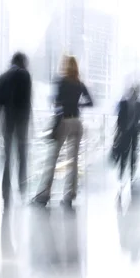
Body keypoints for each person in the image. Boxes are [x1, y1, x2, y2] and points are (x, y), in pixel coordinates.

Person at [33, 56, 93, 208]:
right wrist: (78, 105)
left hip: (64, 121)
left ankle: (43, 196)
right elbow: (90, 102)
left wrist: (63, 105)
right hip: (77, 123)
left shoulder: (61, 81)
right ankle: (69, 195)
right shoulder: (80, 84)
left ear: (65, 66)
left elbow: (56, 102)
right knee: (73, 160)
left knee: (52, 159)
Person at [0, 52, 32, 205]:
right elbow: (27, 100)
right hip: (21, 122)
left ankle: (5, 191)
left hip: (7, 121)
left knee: (7, 156)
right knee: (22, 155)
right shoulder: (25, 75)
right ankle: (22, 190)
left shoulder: (3, 77)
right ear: (22, 62)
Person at [116, 84, 140, 182]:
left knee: (133, 152)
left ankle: (131, 174)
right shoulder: (124, 103)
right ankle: (122, 173)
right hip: (126, 131)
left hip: (134, 131)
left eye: (135, 92)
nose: (134, 94)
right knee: (124, 152)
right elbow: (120, 118)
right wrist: (120, 129)